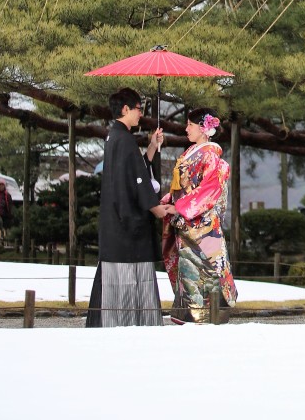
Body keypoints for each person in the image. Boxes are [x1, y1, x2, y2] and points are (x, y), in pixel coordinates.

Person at [86, 88, 175, 327]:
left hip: (114, 222)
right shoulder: (123, 139)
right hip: (126, 225)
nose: (141, 114)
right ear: (125, 109)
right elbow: (137, 180)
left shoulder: (114, 136)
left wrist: (153, 146)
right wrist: (156, 208)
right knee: (128, 277)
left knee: (117, 276)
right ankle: (128, 322)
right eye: (138, 109)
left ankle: (115, 320)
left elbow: (135, 172)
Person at [162, 108, 237, 323]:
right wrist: (170, 201)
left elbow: (209, 190)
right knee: (189, 267)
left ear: (204, 129)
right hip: (188, 221)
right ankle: (188, 313)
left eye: (190, 125)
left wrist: (179, 206)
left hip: (202, 224)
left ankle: (205, 314)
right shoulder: (191, 153)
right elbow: (184, 188)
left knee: (208, 268)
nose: (186, 129)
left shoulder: (212, 157)